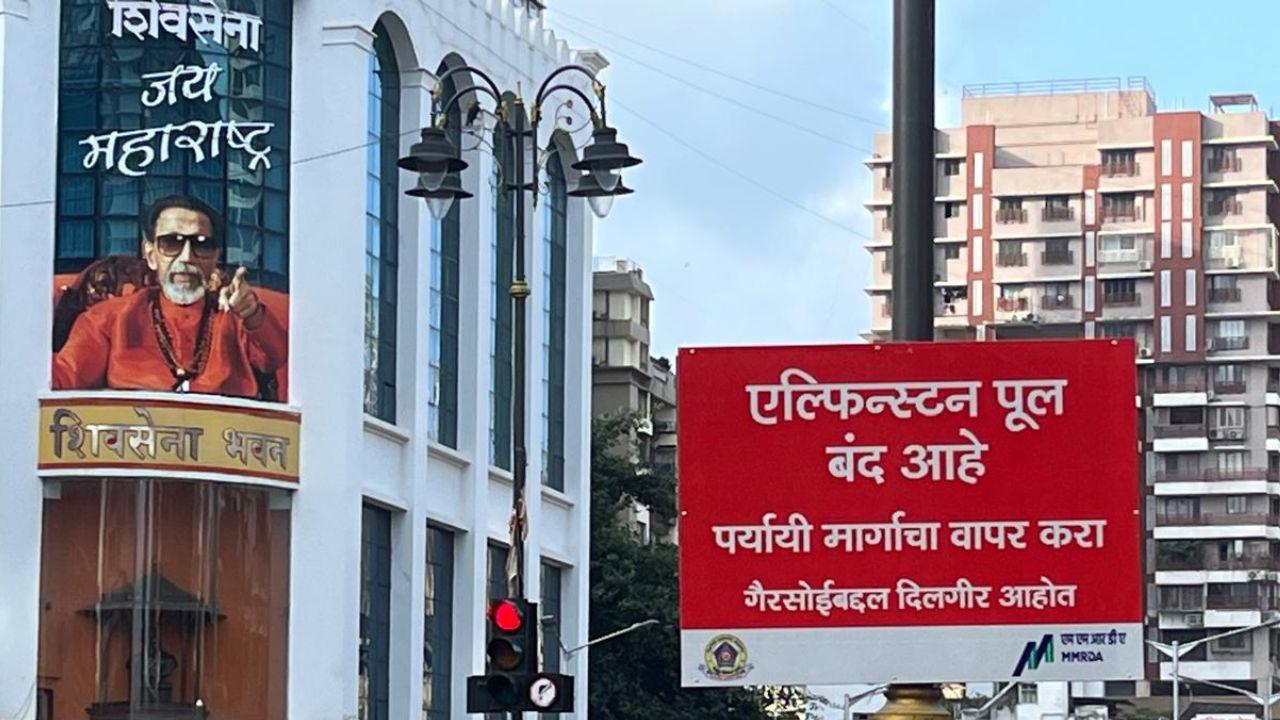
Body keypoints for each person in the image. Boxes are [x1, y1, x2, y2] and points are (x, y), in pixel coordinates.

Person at [52, 195, 286, 398]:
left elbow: (275, 358)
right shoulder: (108, 318)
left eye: (201, 245)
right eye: (172, 242)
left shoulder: (235, 316)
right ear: (151, 255)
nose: (186, 257)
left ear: (216, 257)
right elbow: (64, 378)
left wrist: (252, 314)